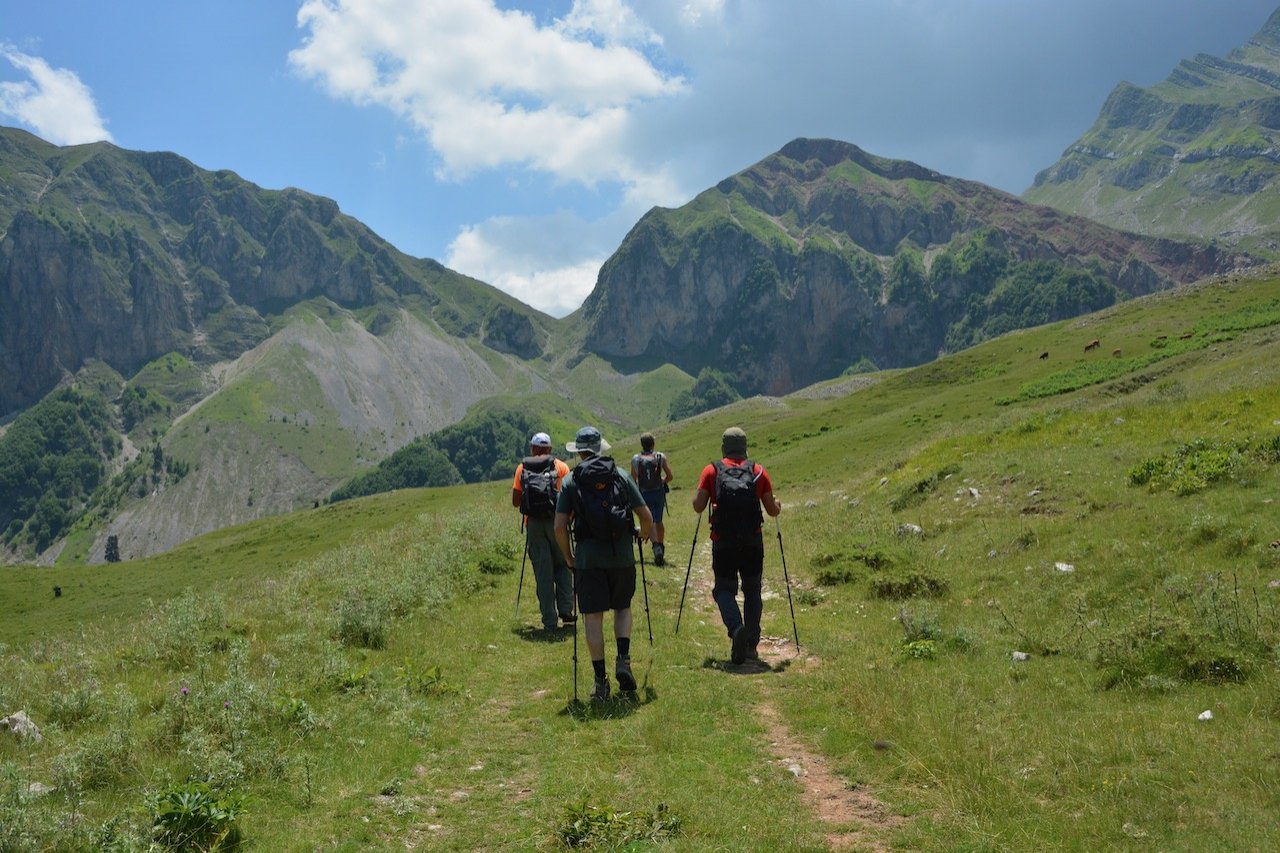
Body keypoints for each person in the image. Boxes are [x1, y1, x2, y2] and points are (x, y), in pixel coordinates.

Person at [555, 426, 654, 701]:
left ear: (580, 452)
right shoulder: (620, 475)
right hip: (621, 556)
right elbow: (645, 515)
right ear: (600, 448)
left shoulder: (571, 481)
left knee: (593, 617)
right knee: (622, 608)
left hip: (588, 561)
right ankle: (623, 658)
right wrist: (643, 535)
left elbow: (560, 527)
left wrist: (568, 557)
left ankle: (601, 683)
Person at [691, 426, 782, 665]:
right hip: (753, 541)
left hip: (723, 542)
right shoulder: (758, 471)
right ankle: (751, 644)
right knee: (752, 589)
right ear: (745, 447)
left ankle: (736, 628)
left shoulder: (711, 471)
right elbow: (772, 510)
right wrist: (778, 505)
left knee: (724, 589)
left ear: (723, 447)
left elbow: (698, 506)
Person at [512, 432, 574, 633]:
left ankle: (549, 620)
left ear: (533, 448)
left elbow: (515, 500)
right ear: (549, 449)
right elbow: (571, 496)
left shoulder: (522, 468)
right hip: (557, 521)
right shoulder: (562, 467)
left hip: (535, 525)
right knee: (564, 563)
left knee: (543, 572)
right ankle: (566, 609)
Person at [630, 432, 673, 566]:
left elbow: (632, 479)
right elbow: (670, 476)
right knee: (658, 520)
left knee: (651, 520)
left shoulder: (636, 459)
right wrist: (662, 481)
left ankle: (656, 548)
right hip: (659, 493)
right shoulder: (660, 457)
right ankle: (661, 545)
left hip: (644, 493)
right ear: (653, 444)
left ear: (642, 444)